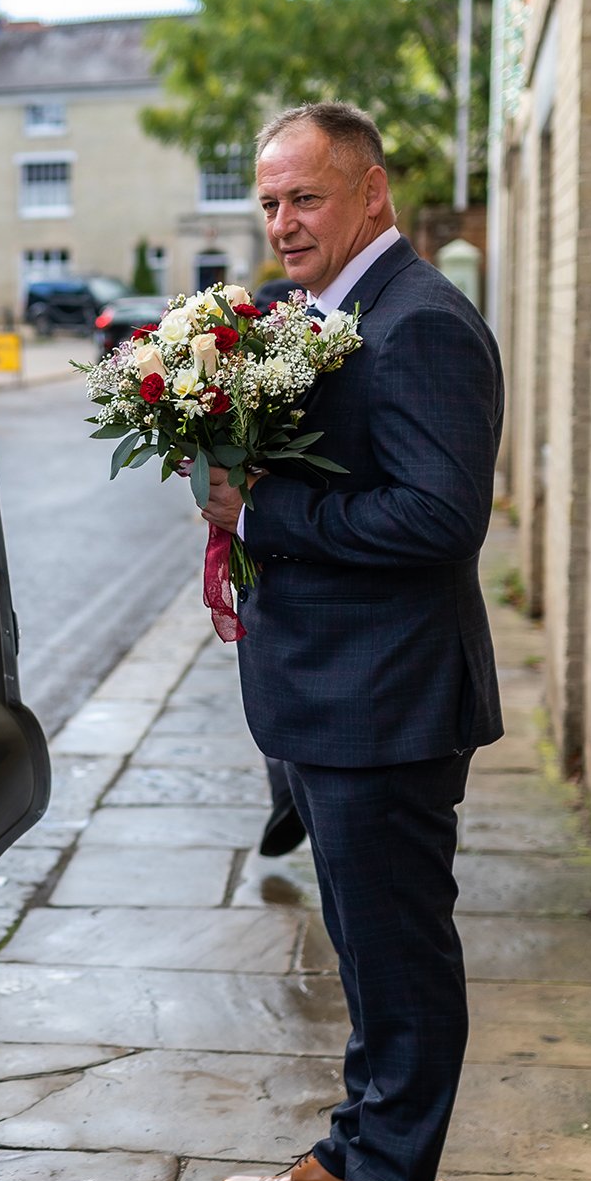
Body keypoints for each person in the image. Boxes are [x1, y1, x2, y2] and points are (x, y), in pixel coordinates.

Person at [203, 103, 504, 1181]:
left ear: (371, 195)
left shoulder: (422, 323)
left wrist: (265, 515)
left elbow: (440, 517)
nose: (283, 221)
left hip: (388, 702)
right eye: (270, 201)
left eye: (306, 197)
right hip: (327, 695)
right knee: (362, 952)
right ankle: (353, 1147)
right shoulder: (314, 316)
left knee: (400, 957)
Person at [246, 277, 307, 860]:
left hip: (291, 544)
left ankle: (286, 791)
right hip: (265, 548)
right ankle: (285, 791)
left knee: (279, 677)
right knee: (272, 677)